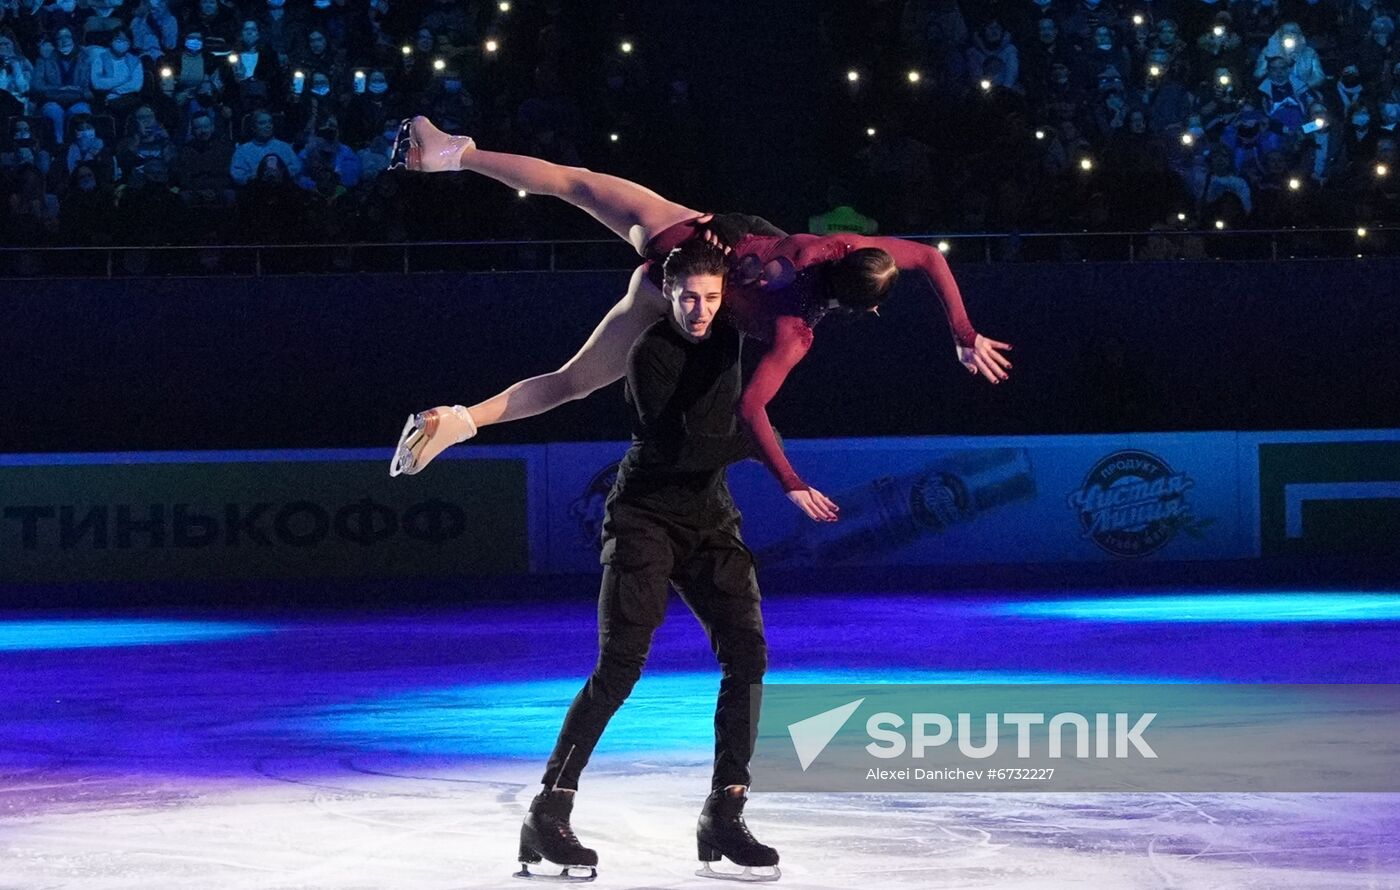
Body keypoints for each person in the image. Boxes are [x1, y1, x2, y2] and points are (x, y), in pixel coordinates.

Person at [389, 117, 1013, 521]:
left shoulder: (833, 246)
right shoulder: (797, 335)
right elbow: (752, 409)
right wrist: (790, 481)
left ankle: (452, 154)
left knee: (573, 184)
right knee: (570, 383)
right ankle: (461, 419)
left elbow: (928, 257)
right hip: (679, 290)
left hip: (682, 236)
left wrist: (965, 334)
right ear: (861, 307)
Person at [516, 242, 779, 883]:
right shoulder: (648, 354)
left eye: (713, 298)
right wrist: (760, 441)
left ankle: (726, 808)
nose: (701, 310)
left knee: (747, 655)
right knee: (619, 667)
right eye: (690, 297)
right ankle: (548, 810)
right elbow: (681, 449)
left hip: (710, 517)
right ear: (668, 292)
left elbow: (784, 280)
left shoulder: (730, 337)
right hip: (645, 516)